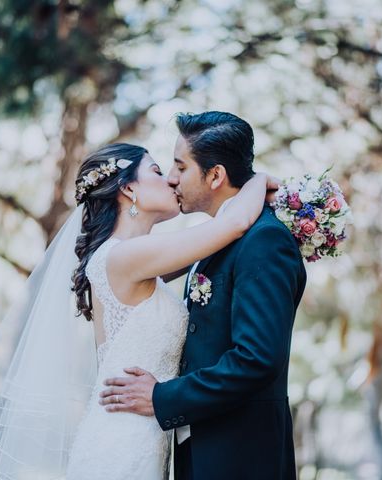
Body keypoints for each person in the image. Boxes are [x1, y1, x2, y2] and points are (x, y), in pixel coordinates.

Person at [0, 136, 277, 479]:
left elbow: (214, 245)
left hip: (141, 433)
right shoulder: (123, 256)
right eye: (156, 170)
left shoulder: (135, 257)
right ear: (128, 190)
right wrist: (256, 180)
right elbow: (233, 225)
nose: (170, 178)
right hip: (122, 443)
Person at [99, 111, 307, 480]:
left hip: (241, 457)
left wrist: (162, 398)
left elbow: (257, 358)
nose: (172, 178)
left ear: (215, 176)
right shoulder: (213, 239)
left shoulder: (263, 240)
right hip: (193, 450)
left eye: (180, 166)